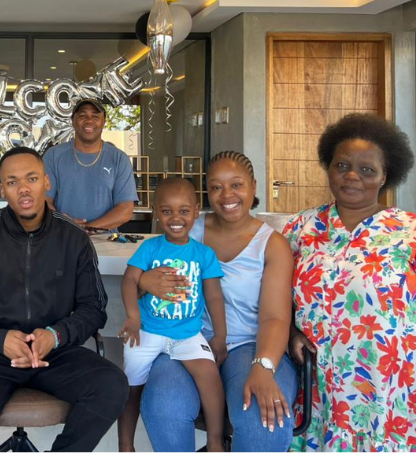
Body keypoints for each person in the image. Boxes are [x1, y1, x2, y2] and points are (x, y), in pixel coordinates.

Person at [0, 146, 128, 452]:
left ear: (46, 183)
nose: (24, 188)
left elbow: (94, 308)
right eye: (12, 182)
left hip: (55, 352)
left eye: (32, 178)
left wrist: (56, 335)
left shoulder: (73, 238)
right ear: (3, 189)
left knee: (112, 386)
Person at [141, 151, 297, 452]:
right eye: (216, 187)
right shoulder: (186, 228)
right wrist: (145, 282)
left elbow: (275, 318)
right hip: (184, 340)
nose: (227, 195)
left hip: (250, 345)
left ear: (253, 186)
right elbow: (145, 278)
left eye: (236, 185)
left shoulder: (271, 245)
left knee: (262, 418)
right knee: (164, 405)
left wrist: (264, 366)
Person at [285, 113, 416, 452]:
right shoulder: (300, 229)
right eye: (341, 165)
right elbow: (270, 297)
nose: (352, 176)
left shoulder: (409, 231)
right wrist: (289, 332)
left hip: (387, 382)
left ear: (386, 176)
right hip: (319, 382)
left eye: (367, 169)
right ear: (328, 167)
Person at [118, 178, 227, 452]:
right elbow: (129, 280)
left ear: (196, 211)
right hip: (147, 331)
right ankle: (125, 444)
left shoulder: (204, 254)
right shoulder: (150, 248)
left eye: (183, 211)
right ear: (155, 212)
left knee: (210, 377)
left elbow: (214, 296)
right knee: (130, 387)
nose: (175, 218)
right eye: (167, 211)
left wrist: (221, 336)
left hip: (187, 333)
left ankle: (215, 439)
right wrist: (133, 317)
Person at [43, 99, 137, 229]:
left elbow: (125, 209)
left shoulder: (119, 159)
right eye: (82, 115)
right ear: (73, 121)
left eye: (95, 116)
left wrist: (88, 228)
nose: (89, 120)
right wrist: (65, 225)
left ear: (104, 122)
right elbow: (43, 202)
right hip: (61, 236)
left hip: (105, 241)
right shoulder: (53, 156)